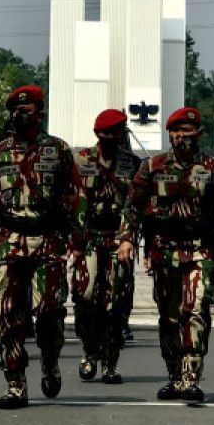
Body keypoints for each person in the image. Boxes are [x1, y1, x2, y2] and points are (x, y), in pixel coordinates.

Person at [0, 84, 79, 410]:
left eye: (26, 110)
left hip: (47, 242)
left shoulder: (59, 151)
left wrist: (79, 241)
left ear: (39, 114)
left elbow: (76, 198)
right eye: (15, 110)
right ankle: (15, 383)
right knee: (9, 316)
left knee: (49, 312)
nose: (20, 115)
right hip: (8, 243)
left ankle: (50, 359)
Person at [117, 106, 214, 403]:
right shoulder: (153, 166)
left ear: (199, 135)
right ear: (170, 134)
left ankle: (191, 377)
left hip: (200, 249)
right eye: (177, 132)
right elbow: (132, 205)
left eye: (189, 133)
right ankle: (174, 375)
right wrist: (126, 239)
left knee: (195, 311)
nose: (182, 138)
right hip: (164, 250)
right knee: (169, 317)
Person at [70, 108, 140, 384]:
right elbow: (73, 202)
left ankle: (110, 361)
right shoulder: (81, 161)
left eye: (116, 133)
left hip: (117, 239)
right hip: (88, 238)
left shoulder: (132, 164)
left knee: (117, 302)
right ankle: (88, 352)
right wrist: (74, 244)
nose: (110, 138)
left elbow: (134, 206)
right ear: (97, 134)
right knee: (85, 297)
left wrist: (127, 238)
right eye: (105, 134)